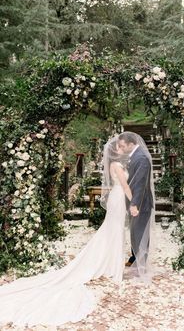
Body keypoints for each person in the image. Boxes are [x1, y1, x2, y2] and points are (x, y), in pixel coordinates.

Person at [0, 136, 131, 327]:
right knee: (113, 230)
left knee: (114, 231)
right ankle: (108, 263)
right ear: (114, 151)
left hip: (117, 198)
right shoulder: (117, 166)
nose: (121, 149)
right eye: (119, 148)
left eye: (122, 147)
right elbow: (125, 185)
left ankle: (110, 262)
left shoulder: (118, 164)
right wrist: (135, 201)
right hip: (119, 197)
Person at [118, 132, 154, 277]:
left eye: (122, 145)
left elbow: (140, 184)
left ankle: (141, 267)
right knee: (135, 233)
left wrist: (134, 204)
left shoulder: (142, 158)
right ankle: (136, 262)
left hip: (141, 203)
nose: (121, 148)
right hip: (135, 202)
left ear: (131, 144)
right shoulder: (135, 156)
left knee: (140, 234)